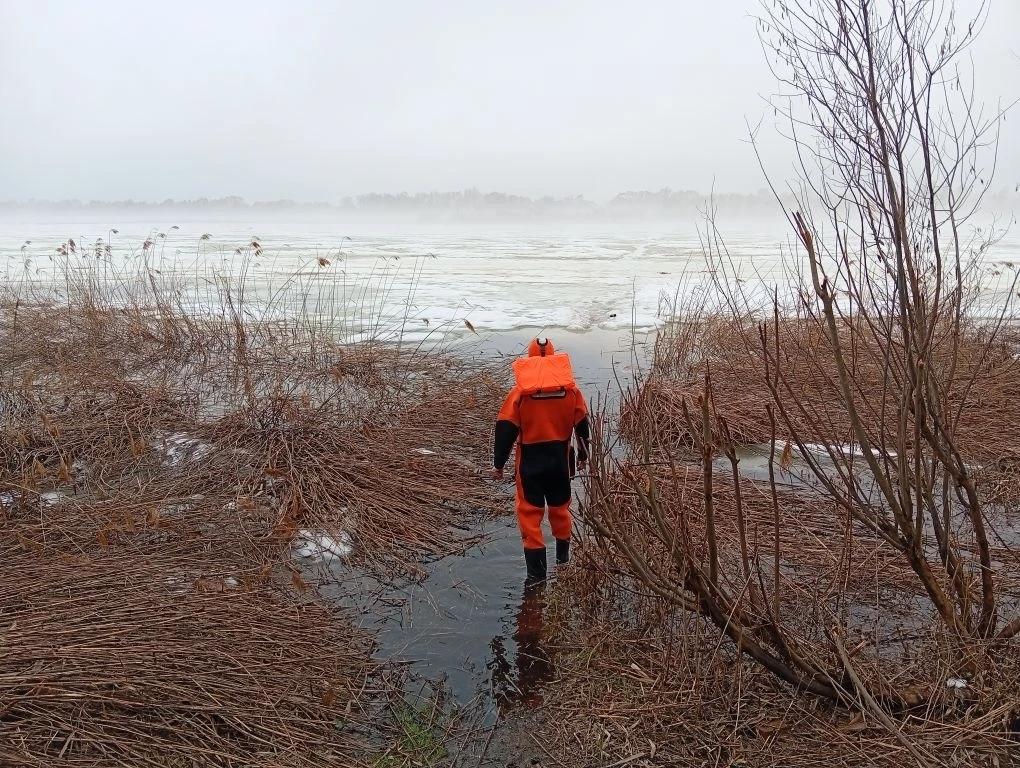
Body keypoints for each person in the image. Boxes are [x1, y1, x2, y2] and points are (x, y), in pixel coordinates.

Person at [492, 336, 590, 582]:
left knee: (530, 515)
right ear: (555, 356)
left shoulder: (520, 394)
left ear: (530, 357)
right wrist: (583, 457)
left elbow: (505, 429)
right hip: (561, 462)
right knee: (560, 511)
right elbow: (583, 426)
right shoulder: (572, 391)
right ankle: (563, 564)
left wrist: (499, 464)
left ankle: (536, 579)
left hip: (530, 466)